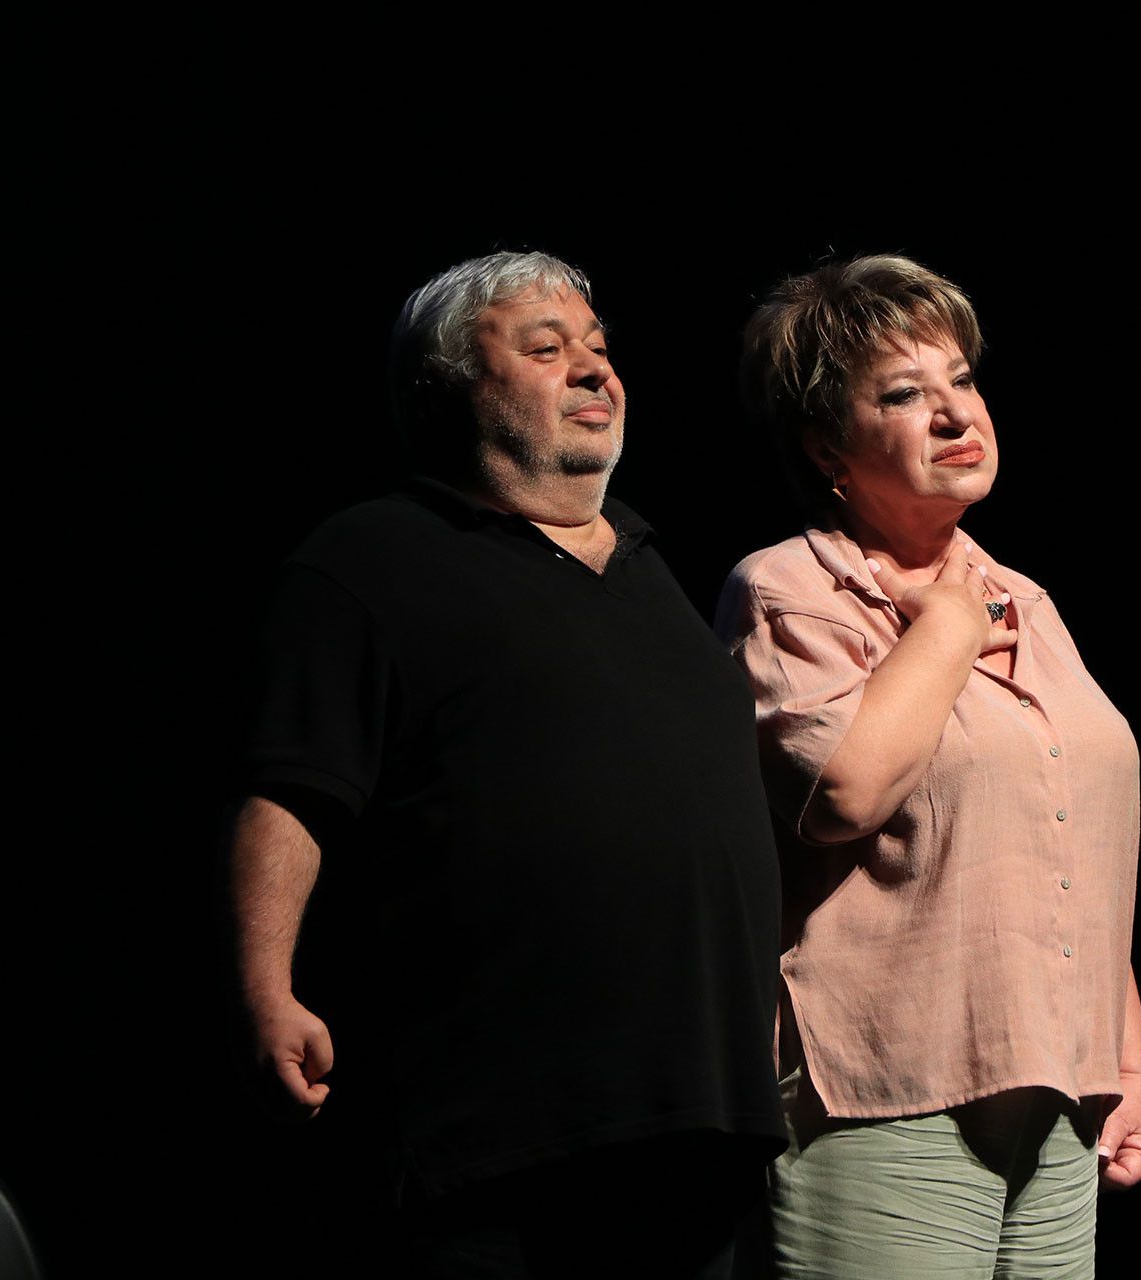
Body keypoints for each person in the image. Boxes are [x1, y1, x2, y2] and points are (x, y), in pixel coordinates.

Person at [230, 251, 787, 1278]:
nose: (593, 368)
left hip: (696, 1128)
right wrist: (266, 987)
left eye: (599, 348)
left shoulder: (654, 572)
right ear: (446, 386)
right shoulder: (371, 558)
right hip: (492, 1140)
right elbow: (293, 790)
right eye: (544, 347)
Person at [717, 255, 1141, 1278]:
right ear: (827, 444)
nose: (956, 412)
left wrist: (1125, 1053)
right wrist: (950, 626)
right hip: (885, 1091)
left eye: (962, 379)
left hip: (1059, 1088)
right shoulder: (792, 591)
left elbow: (1065, 837)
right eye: (904, 394)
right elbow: (845, 791)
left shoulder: (1026, 598)